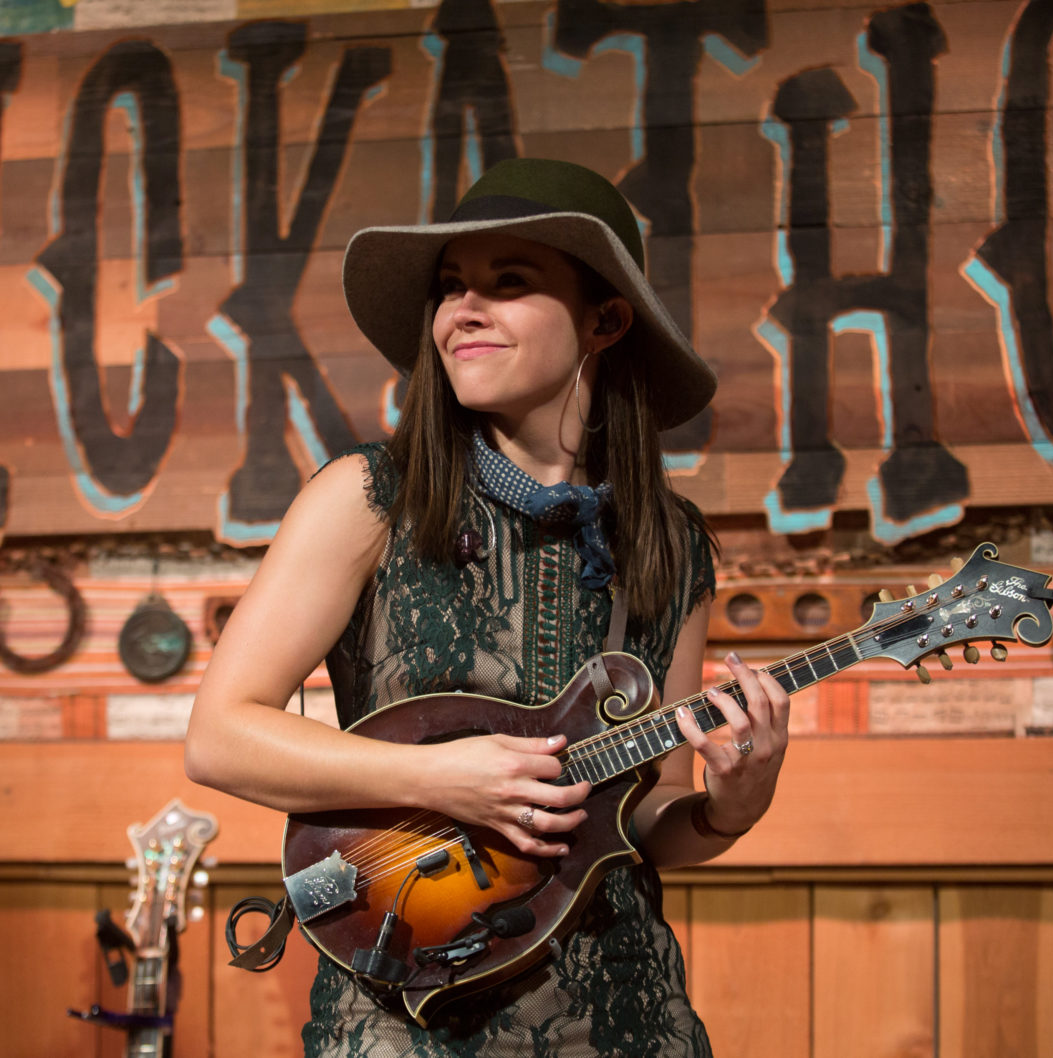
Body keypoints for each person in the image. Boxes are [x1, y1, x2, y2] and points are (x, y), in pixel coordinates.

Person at [185, 157, 792, 1056]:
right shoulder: (368, 497)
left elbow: (646, 813)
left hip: (624, 1017)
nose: (462, 310)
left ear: (605, 321)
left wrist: (731, 805)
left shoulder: (671, 543)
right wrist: (438, 779)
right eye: (450, 287)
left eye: (508, 283)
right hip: (405, 1018)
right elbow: (219, 737)